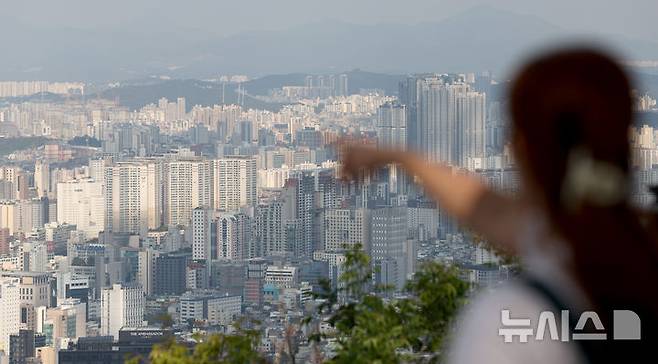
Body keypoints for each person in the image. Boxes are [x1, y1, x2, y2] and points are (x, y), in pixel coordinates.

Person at [340, 48, 658, 363]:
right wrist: (400, 158)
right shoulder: (637, 246)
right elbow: (487, 208)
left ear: (521, 149)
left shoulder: (509, 321)